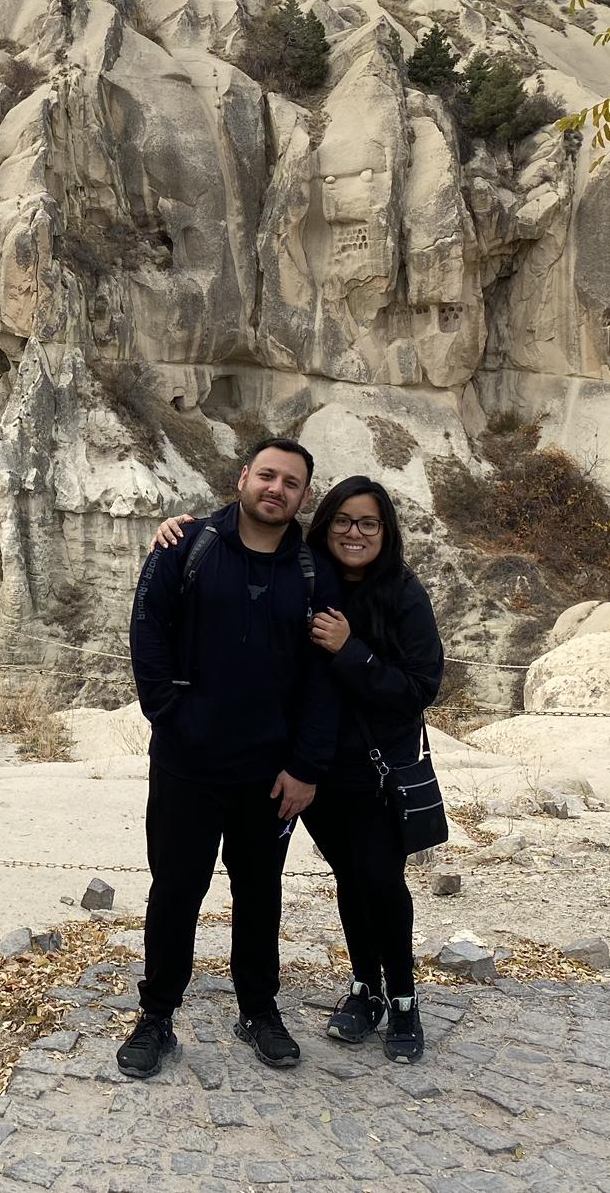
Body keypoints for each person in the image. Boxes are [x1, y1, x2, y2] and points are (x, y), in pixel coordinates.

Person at [150, 473, 444, 1064]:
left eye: (368, 523)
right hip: (313, 771)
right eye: (343, 521)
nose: (354, 532)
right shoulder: (309, 573)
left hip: (371, 771)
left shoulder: (401, 593)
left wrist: (350, 650)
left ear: (386, 532)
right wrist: (181, 527)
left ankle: (404, 1000)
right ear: (324, 523)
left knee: (380, 882)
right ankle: (365, 990)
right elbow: (248, 532)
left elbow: (420, 687)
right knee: (348, 879)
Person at [120, 438, 341, 1080]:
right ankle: (157, 1015)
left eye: (291, 483)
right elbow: (148, 632)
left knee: (259, 891)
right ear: (243, 477)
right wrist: (170, 715)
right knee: (176, 890)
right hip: (187, 763)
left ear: (303, 496)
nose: (276, 489)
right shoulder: (186, 546)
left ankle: (259, 1009)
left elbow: (323, 677)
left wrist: (306, 768)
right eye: (266, 475)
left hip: (269, 774)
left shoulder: (311, 570)